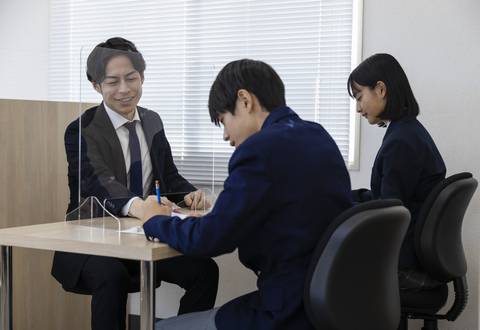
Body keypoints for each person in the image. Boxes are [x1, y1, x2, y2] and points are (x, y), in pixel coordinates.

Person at [135, 59, 353, 329]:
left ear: (245, 100)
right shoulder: (317, 135)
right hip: (328, 300)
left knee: (162, 327)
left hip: (287, 309)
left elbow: (210, 239)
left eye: (224, 121)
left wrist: (155, 220)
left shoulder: (260, 150)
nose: (226, 136)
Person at [51, 37, 218, 330]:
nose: (124, 89)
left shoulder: (152, 121)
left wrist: (188, 194)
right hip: (91, 240)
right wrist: (140, 206)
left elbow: (168, 175)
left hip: (141, 236)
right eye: (113, 81)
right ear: (96, 86)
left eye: (131, 78)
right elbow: (97, 183)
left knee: (204, 270)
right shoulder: (82, 129)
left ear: (142, 77)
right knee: (110, 275)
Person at [347, 53, 446, 287]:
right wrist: (346, 198)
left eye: (360, 97)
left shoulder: (401, 142)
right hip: (410, 251)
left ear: (380, 89)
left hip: (402, 260)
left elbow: (389, 212)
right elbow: (388, 196)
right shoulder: (408, 131)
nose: (359, 109)